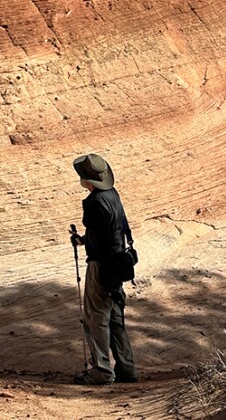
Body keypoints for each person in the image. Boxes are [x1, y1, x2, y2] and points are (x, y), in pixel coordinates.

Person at [70, 152, 138, 386]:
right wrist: (85, 240)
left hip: (102, 266)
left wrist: (84, 242)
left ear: (87, 181)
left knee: (96, 318)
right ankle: (127, 370)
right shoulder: (112, 195)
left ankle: (101, 371)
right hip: (120, 262)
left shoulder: (93, 203)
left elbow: (99, 239)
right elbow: (112, 231)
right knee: (116, 319)